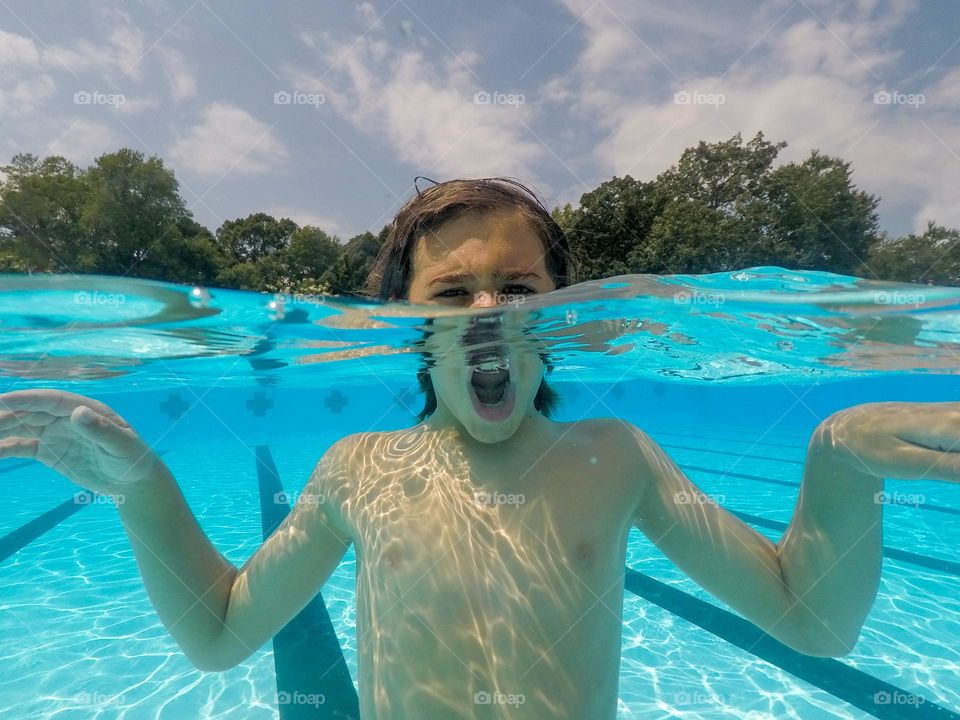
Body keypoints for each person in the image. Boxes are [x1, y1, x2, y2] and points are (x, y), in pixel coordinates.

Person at [1, 178, 958, 720]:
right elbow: (219, 634)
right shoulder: (357, 469)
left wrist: (838, 463)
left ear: (561, 314)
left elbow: (808, 622)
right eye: (453, 292)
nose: (490, 314)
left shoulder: (613, 456)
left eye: (521, 286)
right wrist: (141, 493)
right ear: (405, 323)